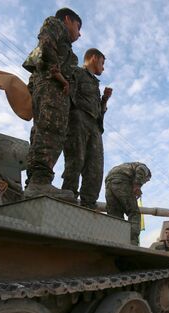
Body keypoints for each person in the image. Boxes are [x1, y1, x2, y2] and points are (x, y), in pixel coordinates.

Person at [24, 8, 82, 200]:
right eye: (78, 27)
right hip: (51, 85)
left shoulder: (66, 45)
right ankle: (40, 183)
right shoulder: (55, 24)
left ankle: (34, 183)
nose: (79, 33)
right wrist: (59, 77)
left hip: (51, 86)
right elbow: (46, 45)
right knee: (51, 131)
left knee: (43, 132)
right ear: (67, 20)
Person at [62, 48, 113, 209]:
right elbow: (67, 95)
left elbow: (98, 109)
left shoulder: (95, 84)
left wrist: (104, 100)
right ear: (93, 58)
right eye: (102, 62)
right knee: (76, 160)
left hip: (95, 126)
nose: (103, 68)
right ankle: (68, 198)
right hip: (78, 119)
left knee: (95, 169)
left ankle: (88, 205)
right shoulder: (76, 72)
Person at [104, 162, 151, 245]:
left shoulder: (126, 166)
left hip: (109, 182)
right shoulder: (145, 168)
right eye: (146, 181)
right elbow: (141, 170)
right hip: (122, 180)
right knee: (134, 212)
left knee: (115, 215)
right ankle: (132, 241)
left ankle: (117, 240)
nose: (145, 183)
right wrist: (137, 186)